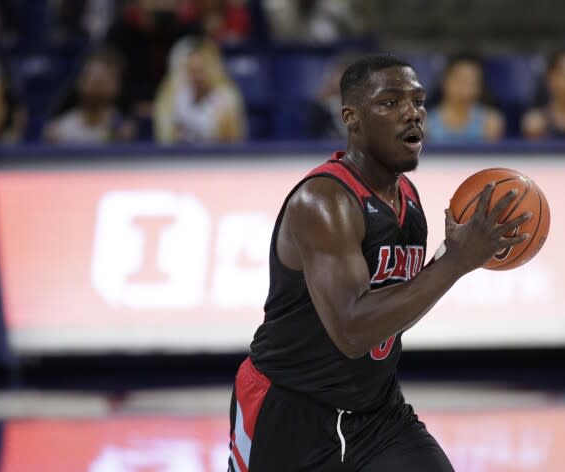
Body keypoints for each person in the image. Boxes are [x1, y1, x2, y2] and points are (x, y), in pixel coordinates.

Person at [227, 54, 531, 471]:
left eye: (418, 101)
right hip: (291, 411)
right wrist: (455, 263)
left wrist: (453, 253)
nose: (412, 113)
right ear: (351, 117)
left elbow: (395, 308)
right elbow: (353, 330)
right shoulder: (324, 201)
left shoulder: (407, 198)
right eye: (390, 103)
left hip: (376, 415)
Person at [105, 0, 201, 118]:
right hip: (127, 111)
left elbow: (204, 81)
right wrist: (130, 105)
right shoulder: (120, 31)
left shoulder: (192, 32)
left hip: (182, 113)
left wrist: (165, 107)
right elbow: (109, 82)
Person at [153, 37, 245, 143]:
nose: (197, 77)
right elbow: (165, 138)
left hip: (214, 156)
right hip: (181, 157)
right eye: (192, 71)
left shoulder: (226, 97)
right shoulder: (173, 95)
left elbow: (233, 141)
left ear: (212, 70)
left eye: (201, 70)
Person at [45, 49, 135, 144]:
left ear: (117, 86)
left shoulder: (124, 129)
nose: (98, 88)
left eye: (104, 82)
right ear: (80, 83)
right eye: (94, 81)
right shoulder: (59, 130)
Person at [426, 53, 505, 143]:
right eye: (460, 81)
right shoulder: (426, 125)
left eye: (472, 83)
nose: (466, 90)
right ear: (445, 81)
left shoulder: (491, 122)